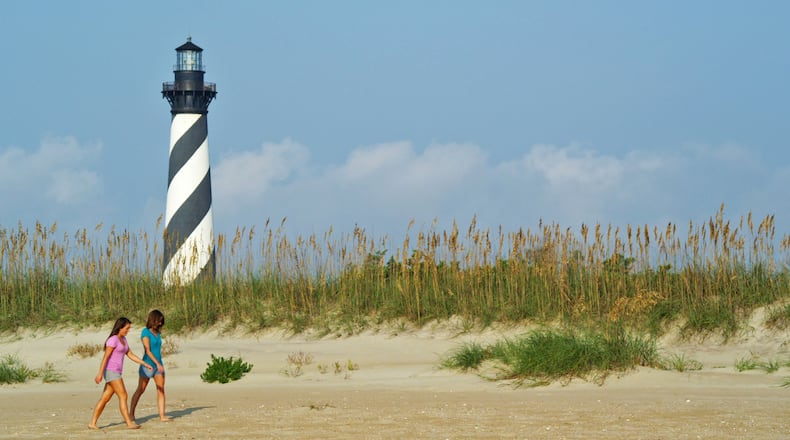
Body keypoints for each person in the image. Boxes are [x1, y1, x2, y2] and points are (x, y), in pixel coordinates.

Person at [89, 317, 153, 430]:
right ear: (120, 327)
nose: (128, 330)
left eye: (129, 328)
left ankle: (92, 423)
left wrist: (144, 363)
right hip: (111, 371)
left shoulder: (124, 339)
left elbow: (130, 354)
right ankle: (129, 422)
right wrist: (99, 374)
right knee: (123, 395)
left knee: (105, 398)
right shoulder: (113, 340)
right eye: (127, 328)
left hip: (116, 372)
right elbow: (106, 357)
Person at [130, 309, 172, 422]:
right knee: (141, 389)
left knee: (161, 389)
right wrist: (157, 364)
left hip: (159, 365)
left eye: (161, 322)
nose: (160, 324)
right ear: (153, 320)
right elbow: (148, 350)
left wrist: (159, 364)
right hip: (147, 365)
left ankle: (162, 416)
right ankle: (131, 414)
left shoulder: (158, 334)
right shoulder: (145, 332)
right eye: (159, 321)